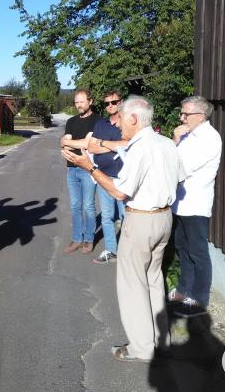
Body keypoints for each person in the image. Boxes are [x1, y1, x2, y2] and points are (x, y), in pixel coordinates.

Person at [62, 95, 184, 363]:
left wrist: (89, 167)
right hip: (164, 218)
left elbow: (119, 191)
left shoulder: (140, 147)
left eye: (122, 119)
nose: (118, 125)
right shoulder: (166, 143)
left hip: (141, 220)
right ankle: (160, 341)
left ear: (134, 118)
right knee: (153, 280)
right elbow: (180, 178)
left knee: (132, 285)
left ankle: (142, 348)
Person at [167, 96, 223, 318]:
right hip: (180, 204)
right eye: (181, 113)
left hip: (196, 204)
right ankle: (184, 291)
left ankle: (199, 301)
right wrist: (176, 140)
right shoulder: (188, 135)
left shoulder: (209, 138)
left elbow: (181, 167)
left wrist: (174, 142)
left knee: (198, 253)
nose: (181, 117)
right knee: (182, 248)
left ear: (201, 116)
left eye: (186, 114)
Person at [86, 90, 128, 264]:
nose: (110, 106)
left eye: (114, 102)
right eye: (107, 103)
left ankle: (128, 251)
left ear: (121, 102)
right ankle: (111, 250)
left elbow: (126, 144)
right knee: (106, 216)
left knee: (127, 217)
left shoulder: (126, 123)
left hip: (123, 179)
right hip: (103, 176)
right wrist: (113, 146)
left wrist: (102, 143)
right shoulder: (100, 124)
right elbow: (91, 147)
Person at [60, 89, 102, 254]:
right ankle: (77, 238)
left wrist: (70, 143)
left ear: (90, 101)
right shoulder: (71, 121)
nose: (79, 105)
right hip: (71, 169)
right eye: (76, 102)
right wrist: (70, 142)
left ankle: (89, 239)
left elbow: (87, 144)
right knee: (75, 206)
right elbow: (64, 143)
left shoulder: (97, 121)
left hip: (87, 169)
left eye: (82, 101)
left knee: (88, 206)